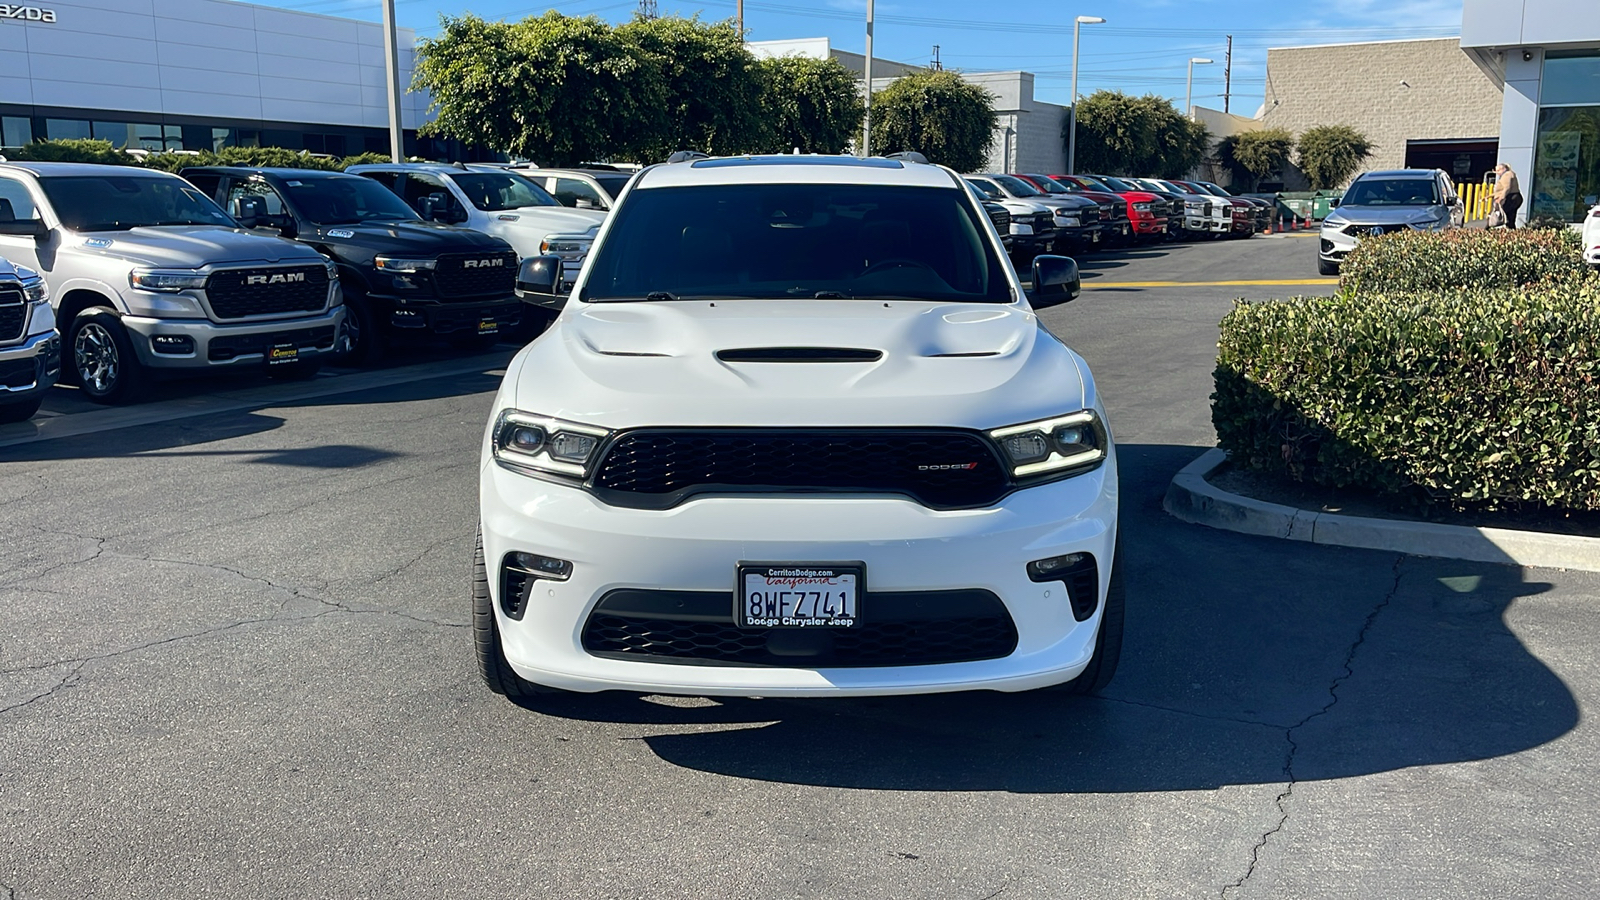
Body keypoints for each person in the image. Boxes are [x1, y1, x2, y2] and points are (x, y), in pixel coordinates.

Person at [1493, 163, 1522, 229]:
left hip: (1512, 197)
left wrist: (1500, 198)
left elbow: (1507, 188)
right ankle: (1511, 230)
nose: (1497, 173)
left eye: (1498, 170)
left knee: (1507, 215)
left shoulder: (1507, 175)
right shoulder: (1508, 174)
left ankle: (1509, 229)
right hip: (1515, 197)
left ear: (1504, 169)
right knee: (1510, 216)